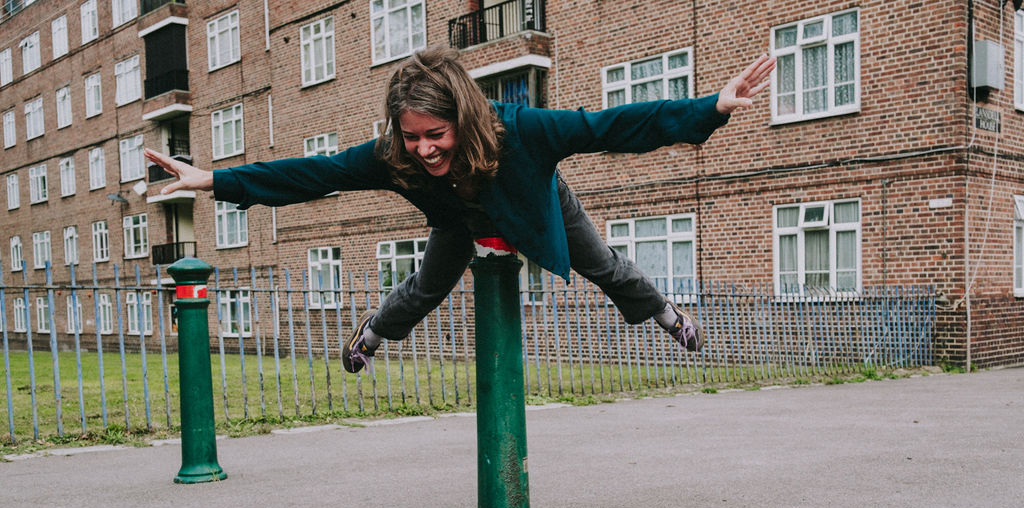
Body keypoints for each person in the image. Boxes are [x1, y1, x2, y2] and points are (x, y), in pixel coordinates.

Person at [146, 47, 774, 374]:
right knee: (424, 288)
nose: (424, 149)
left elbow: (610, 125)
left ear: (463, 120)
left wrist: (709, 107)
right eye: (412, 136)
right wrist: (212, 179)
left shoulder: (520, 131)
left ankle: (666, 312)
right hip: (459, 222)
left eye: (436, 134)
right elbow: (314, 174)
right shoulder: (393, 155)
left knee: (602, 266)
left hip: (533, 207)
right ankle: (374, 332)